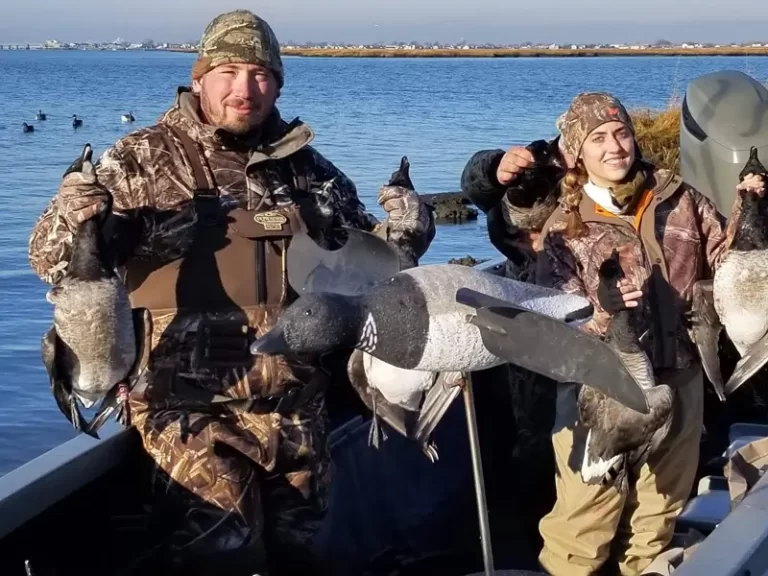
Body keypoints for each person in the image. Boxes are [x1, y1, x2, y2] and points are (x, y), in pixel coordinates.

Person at [27, 9, 434, 575]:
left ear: (278, 83)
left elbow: (367, 263)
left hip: (295, 408)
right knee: (222, 557)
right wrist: (70, 218)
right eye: (230, 71)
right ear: (200, 78)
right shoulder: (140, 159)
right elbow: (48, 263)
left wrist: (409, 230)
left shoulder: (309, 169)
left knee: (304, 557)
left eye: (261, 74)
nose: (246, 89)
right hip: (189, 411)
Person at [531, 91, 765, 576]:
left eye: (621, 133)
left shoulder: (680, 197)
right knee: (583, 526)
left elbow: (725, 262)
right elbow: (554, 321)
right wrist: (603, 309)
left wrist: (749, 209)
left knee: (658, 518)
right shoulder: (563, 229)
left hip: (679, 378)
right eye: (598, 138)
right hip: (602, 392)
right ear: (577, 152)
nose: (615, 146)